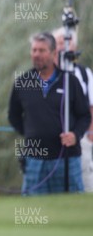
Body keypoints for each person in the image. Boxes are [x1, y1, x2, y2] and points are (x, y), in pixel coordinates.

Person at [9, 32, 91, 194]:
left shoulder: (70, 81)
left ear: (54, 53)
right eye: (34, 50)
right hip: (34, 161)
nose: (37, 55)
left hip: (67, 157)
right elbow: (13, 115)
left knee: (69, 210)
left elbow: (84, 115)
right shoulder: (22, 82)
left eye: (42, 50)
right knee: (34, 210)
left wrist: (75, 135)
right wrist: (32, 134)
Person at [53, 27, 93, 192]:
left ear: (74, 47)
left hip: (81, 139)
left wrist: (89, 138)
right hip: (53, 141)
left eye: (67, 43)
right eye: (60, 43)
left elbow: (91, 106)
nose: (63, 47)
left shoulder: (84, 74)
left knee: (85, 182)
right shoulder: (45, 75)